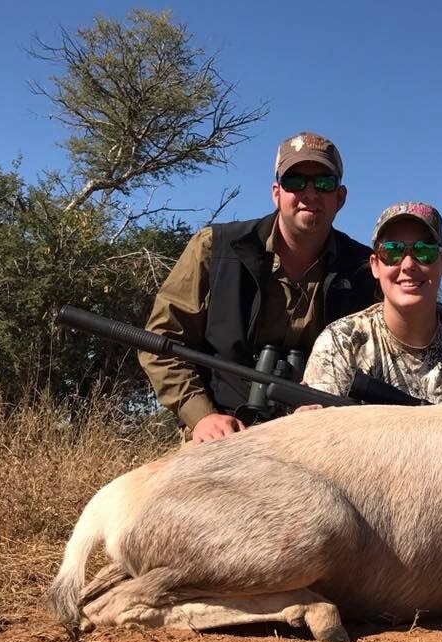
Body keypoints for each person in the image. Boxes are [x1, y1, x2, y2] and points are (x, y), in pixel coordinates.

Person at [139, 132, 376, 443]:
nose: (309, 193)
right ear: (276, 193)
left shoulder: (369, 269)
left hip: (324, 436)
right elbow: (160, 342)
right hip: (222, 432)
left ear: (340, 197)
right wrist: (201, 416)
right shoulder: (215, 247)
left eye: (323, 183)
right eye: (294, 182)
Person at [302, 201, 442, 404]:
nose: (408, 264)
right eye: (392, 251)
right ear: (375, 265)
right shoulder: (341, 342)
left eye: (423, 251)